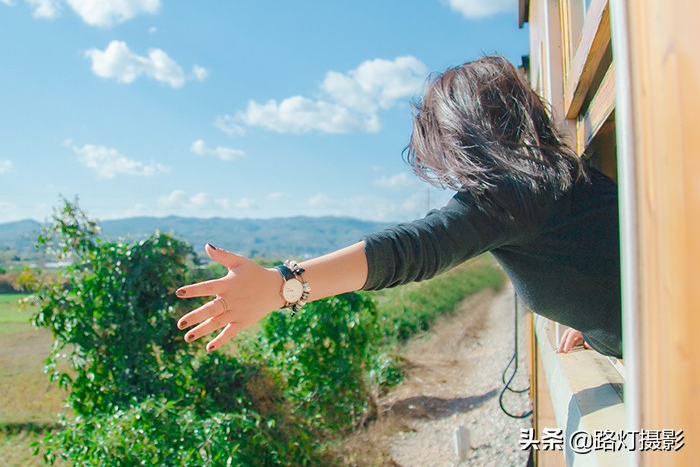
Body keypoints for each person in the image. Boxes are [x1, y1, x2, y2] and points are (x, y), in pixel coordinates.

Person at [175, 55, 622, 359]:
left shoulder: (509, 195)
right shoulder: (565, 182)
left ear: (463, 134)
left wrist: (281, 286)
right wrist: (588, 317)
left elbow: (412, 250)